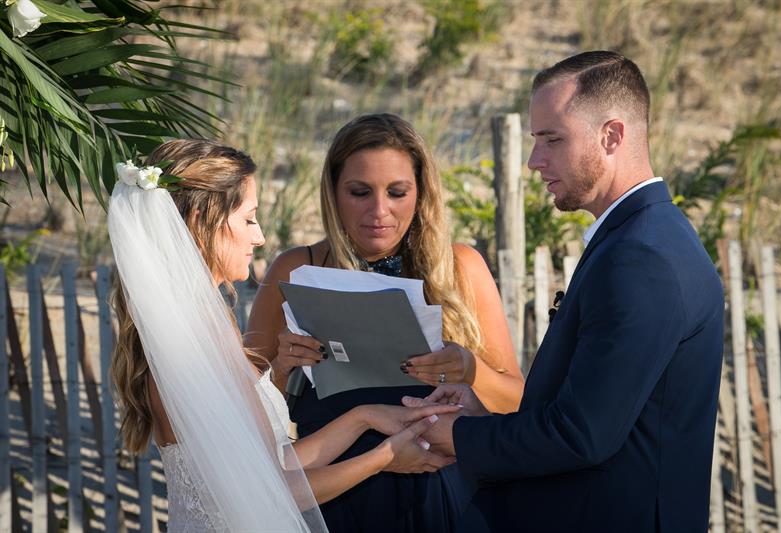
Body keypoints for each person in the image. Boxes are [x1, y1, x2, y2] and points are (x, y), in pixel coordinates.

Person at [406, 51, 725, 532]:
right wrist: (480, 412)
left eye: (552, 140)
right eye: (536, 141)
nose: (535, 161)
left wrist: (462, 436)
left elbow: (583, 434)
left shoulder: (642, 258)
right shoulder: (648, 236)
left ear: (611, 135)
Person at [108, 139, 458, 532]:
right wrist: (384, 457)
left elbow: (273, 464)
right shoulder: (188, 346)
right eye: (248, 218)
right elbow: (272, 490)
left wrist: (366, 417)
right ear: (200, 219)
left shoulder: (203, 328)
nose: (258, 238)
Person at [245, 113, 524, 532]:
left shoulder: (460, 267)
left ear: (421, 192)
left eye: (397, 192)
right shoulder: (295, 268)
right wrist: (281, 369)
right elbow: (245, 417)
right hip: (338, 495)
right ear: (333, 193)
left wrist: (471, 369)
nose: (380, 211)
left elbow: (518, 403)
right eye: (359, 192)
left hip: (444, 495)